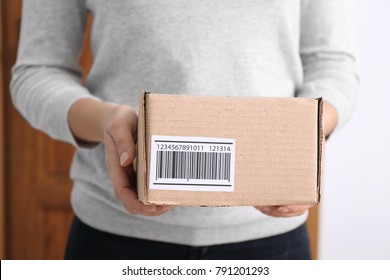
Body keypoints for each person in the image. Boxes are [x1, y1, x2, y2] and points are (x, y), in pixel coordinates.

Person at [10, 0, 358, 260]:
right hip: (114, 236)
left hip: (269, 242)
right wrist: (105, 121)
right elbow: (38, 70)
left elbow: (333, 65)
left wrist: (306, 130)